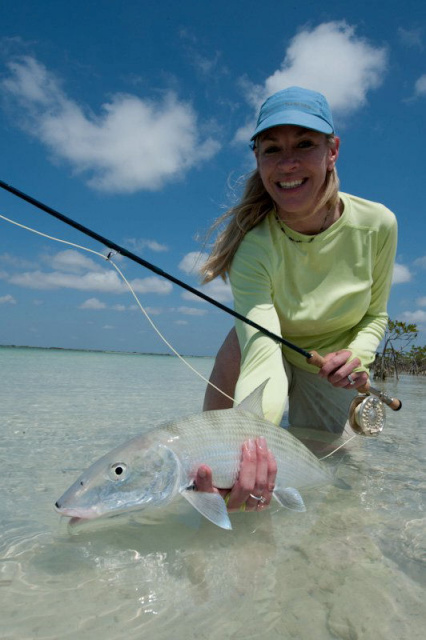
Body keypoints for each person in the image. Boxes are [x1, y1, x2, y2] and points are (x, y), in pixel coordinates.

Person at [194, 86, 397, 512]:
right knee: (212, 449)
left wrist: (355, 357)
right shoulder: (254, 245)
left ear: (332, 150)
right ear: (258, 159)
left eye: (304, 144)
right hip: (262, 344)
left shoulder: (378, 225)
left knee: (337, 470)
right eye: (272, 149)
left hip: (330, 362)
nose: (287, 163)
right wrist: (250, 443)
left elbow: (376, 315)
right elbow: (263, 345)